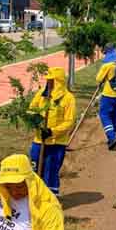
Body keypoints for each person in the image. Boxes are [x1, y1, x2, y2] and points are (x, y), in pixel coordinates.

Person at [28, 66, 76, 198]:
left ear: (59, 81)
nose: (49, 83)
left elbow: (69, 121)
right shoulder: (41, 95)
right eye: (48, 80)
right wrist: (35, 120)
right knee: (34, 169)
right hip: (39, 141)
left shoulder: (68, 98)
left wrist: (52, 132)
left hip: (56, 144)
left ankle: (51, 199)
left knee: (51, 171)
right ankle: (34, 197)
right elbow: (32, 108)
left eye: (52, 81)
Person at [96, 42, 116, 150]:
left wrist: (105, 78)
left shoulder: (107, 65)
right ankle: (112, 138)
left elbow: (98, 79)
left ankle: (111, 136)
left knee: (104, 114)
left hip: (108, 95)